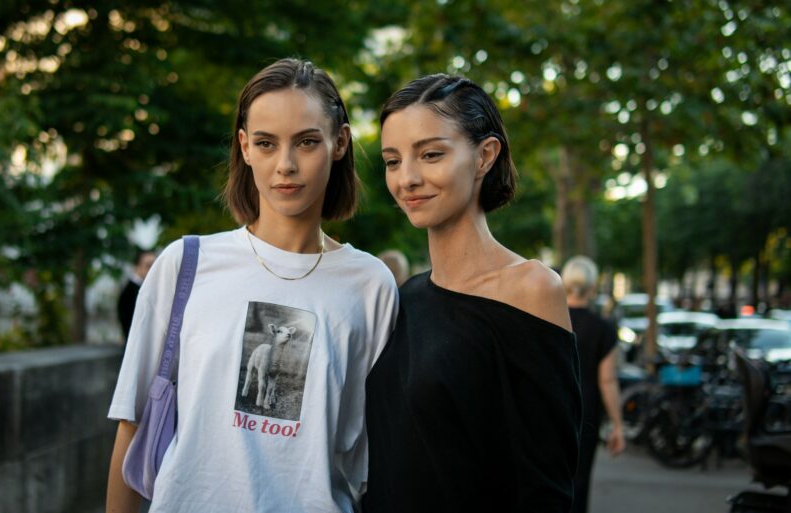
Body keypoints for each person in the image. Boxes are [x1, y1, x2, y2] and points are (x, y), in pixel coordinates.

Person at [105, 58, 398, 513]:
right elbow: (133, 424)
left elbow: (376, 454)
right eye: (265, 143)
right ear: (244, 147)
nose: (285, 165)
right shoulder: (185, 265)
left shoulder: (371, 285)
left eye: (306, 142)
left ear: (339, 143)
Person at [363, 75, 582, 513]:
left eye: (430, 154)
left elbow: (546, 487)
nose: (407, 178)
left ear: (484, 156)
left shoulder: (531, 289)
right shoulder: (402, 297)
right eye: (392, 161)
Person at [561, 255, 625, 513]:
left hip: (550, 405)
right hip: (586, 410)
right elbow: (607, 380)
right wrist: (617, 425)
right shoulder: (603, 328)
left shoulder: (547, 318)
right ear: (592, 287)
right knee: (579, 481)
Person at [117, 249, 157, 341]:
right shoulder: (129, 293)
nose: (153, 270)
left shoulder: (144, 288)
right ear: (136, 267)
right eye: (148, 266)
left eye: (155, 266)